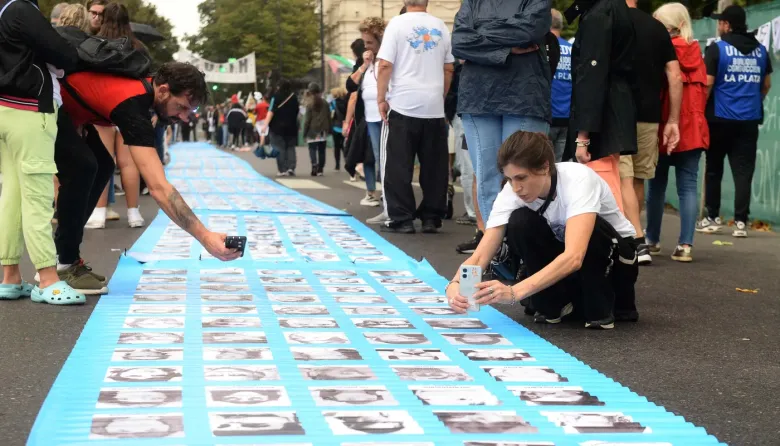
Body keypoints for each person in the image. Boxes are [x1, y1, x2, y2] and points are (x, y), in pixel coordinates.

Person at [53, 62, 242, 295]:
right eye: (181, 107)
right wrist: (205, 237)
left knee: (102, 165)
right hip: (45, 102)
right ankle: (63, 263)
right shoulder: (133, 103)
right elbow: (159, 188)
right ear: (163, 90)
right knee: (83, 167)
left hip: (67, 107)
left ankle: (65, 256)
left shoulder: (143, 89)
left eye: (190, 112)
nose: (184, 118)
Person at [446, 131, 639, 329]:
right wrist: (455, 286)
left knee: (590, 229)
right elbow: (480, 256)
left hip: (613, 260)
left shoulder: (578, 179)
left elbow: (574, 256)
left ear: (545, 167)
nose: (516, 188)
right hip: (569, 259)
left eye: (521, 178)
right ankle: (555, 304)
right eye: (510, 179)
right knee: (520, 221)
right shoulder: (510, 192)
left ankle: (599, 303)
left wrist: (514, 292)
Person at [452, 0, 552, 250]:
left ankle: (528, 250)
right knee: (487, 178)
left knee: (527, 176)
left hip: (524, 94)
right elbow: (459, 42)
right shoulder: (472, 2)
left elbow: (529, 31)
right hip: (478, 97)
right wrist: (506, 50)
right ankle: (498, 251)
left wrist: (481, 35)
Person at [0, 0, 83, 303]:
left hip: (4, 108)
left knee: (11, 195)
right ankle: (48, 278)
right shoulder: (21, 9)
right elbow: (65, 54)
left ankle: (10, 276)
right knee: (37, 195)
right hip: (30, 108)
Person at [377, 0, 455, 234]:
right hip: (433, 105)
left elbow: (385, 65)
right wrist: (440, 95)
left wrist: (381, 98)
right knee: (435, 167)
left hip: (403, 103)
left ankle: (402, 218)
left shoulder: (396, 24)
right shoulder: (440, 26)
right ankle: (432, 217)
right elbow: (449, 68)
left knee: (398, 165)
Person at [618, 0, 682, 266]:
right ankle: (636, 237)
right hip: (649, 115)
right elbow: (675, 75)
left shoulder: (609, 22)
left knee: (620, 177)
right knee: (638, 179)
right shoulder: (656, 27)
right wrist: (673, 120)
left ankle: (631, 240)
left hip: (617, 114)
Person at [700, 5, 772, 238]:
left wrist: (700, 110)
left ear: (727, 25)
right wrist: (753, 100)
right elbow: (766, 85)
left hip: (719, 119)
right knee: (743, 172)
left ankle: (712, 217)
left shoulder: (717, 49)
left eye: (720, 22)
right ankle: (741, 222)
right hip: (749, 120)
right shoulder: (761, 51)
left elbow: (708, 83)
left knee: (714, 169)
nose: (718, 26)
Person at [645, 2, 709, 263]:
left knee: (656, 185)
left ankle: (652, 240)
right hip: (693, 128)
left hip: (664, 124)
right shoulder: (698, 53)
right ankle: (685, 245)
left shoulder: (660, 52)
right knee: (688, 187)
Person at [563, 0, 637, 214]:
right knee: (608, 188)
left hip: (600, 116)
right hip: (612, 109)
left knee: (598, 196)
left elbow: (592, 74)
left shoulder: (599, 13)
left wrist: (583, 137)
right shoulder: (615, 7)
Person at [85, 2, 148, 230]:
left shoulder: (95, 44)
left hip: (101, 109)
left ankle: (99, 213)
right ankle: (134, 213)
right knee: (129, 163)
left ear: (104, 19)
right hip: (129, 108)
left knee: (103, 161)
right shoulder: (138, 47)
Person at [549, 9, 572, 163]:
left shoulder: (543, 48)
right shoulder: (572, 49)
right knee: (561, 167)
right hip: (568, 118)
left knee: (542, 166)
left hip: (547, 117)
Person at [264, 79, 300, 177]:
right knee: (290, 147)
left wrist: (265, 124)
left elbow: (271, 111)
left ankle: (282, 169)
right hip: (292, 126)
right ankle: (291, 167)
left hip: (277, 127)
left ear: (279, 87)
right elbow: (297, 111)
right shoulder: (294, 97)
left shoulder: (275, 97)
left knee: (279, 147)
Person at [303, 82, 331, 176]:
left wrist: (304, 133)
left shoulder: (309, 104)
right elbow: (328, 117)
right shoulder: (325, 103)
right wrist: (329, 129)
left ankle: (314, 165)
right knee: (322, 150)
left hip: (312, 130)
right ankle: (320, 169)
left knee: (312, 149)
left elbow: (307, 120)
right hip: (323, 129)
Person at [330, 87, 348, 170]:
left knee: (337, 147)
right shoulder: (347, 102)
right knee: (345, 146)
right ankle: (347, 162)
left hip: (336, 127)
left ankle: (337, 165)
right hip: (346, 127)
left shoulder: (333, 103)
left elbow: (331, 115)